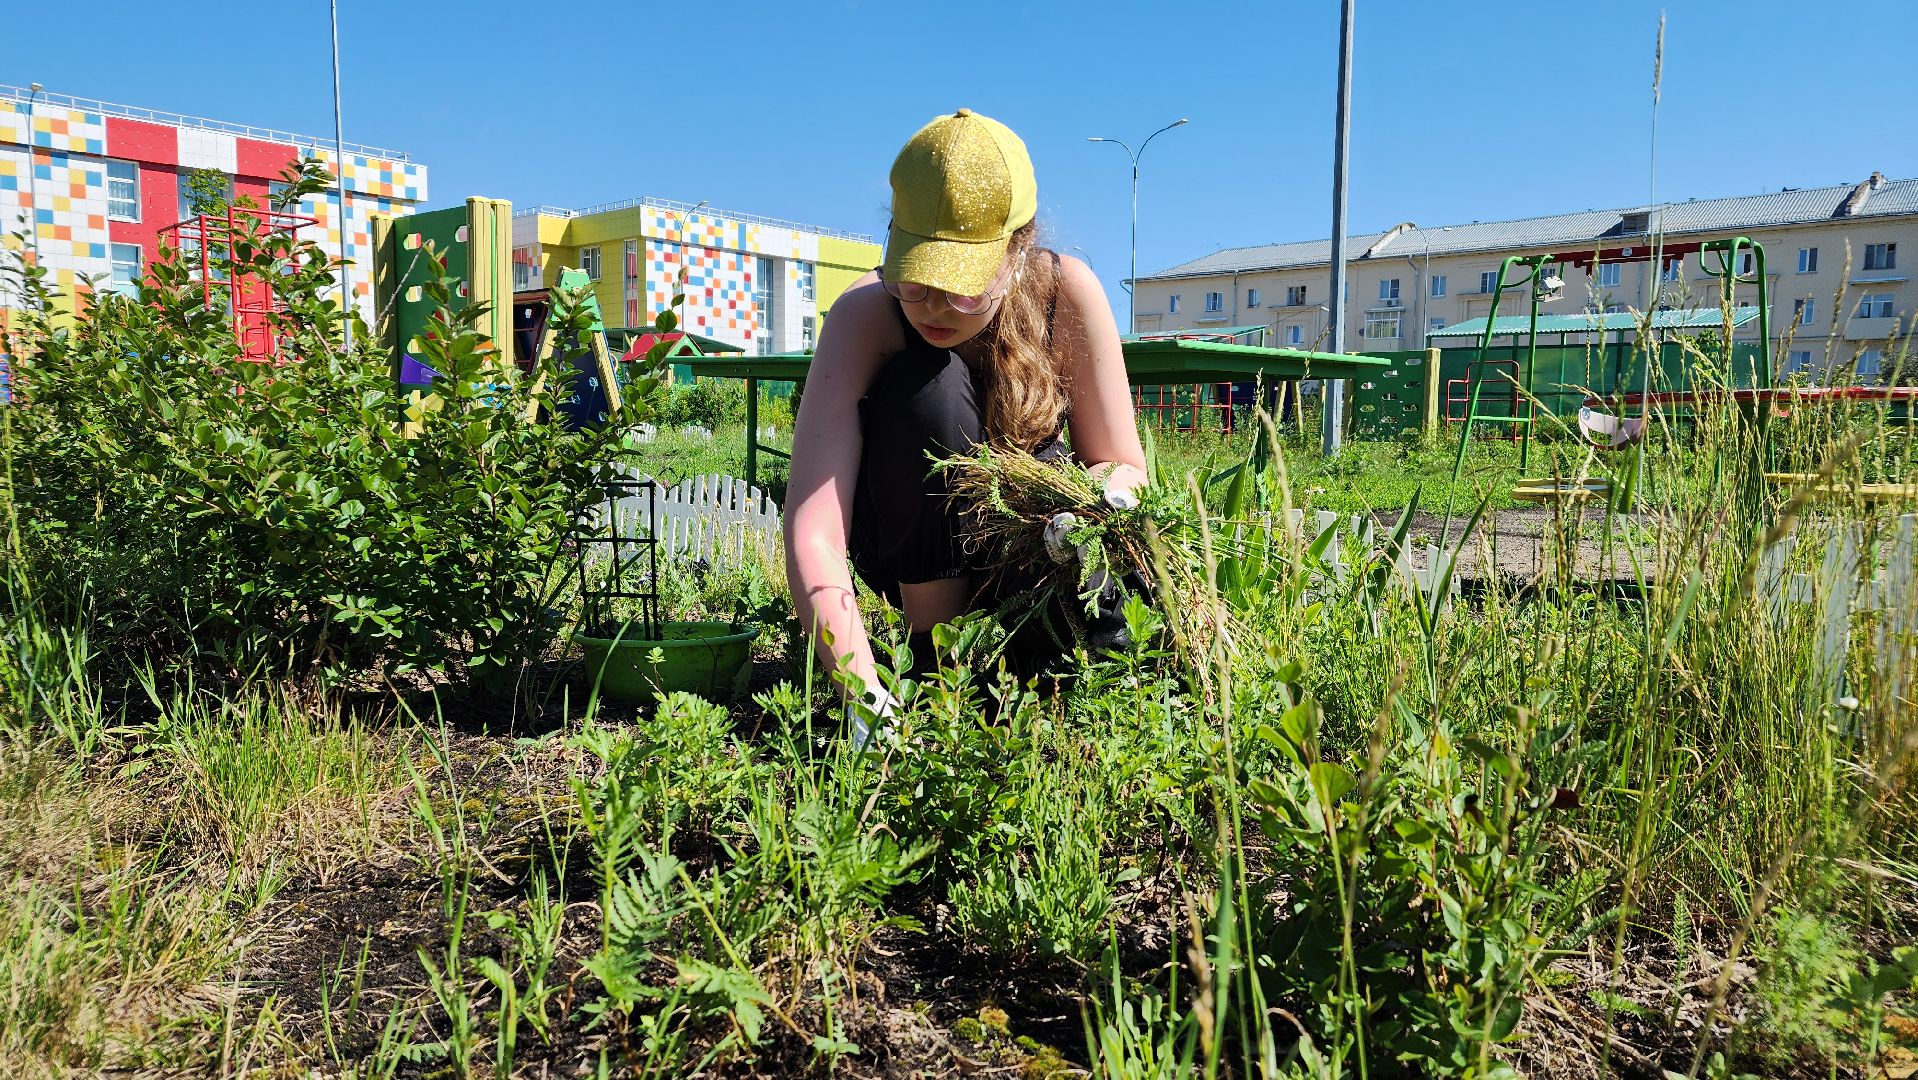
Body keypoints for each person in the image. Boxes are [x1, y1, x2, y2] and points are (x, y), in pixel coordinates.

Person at [783, 108, 1148, 730]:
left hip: (1026, 554)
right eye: (916, 281)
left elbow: (1125, 465)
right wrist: (862, 694)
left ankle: (1068, 672)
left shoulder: (1067, 293)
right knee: (931, 386)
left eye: (961, 286)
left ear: (1019, 245)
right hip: (909, 558)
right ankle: (933, 670)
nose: (934, 308)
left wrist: (1094, 502)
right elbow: (813, 529)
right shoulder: (865, 316)